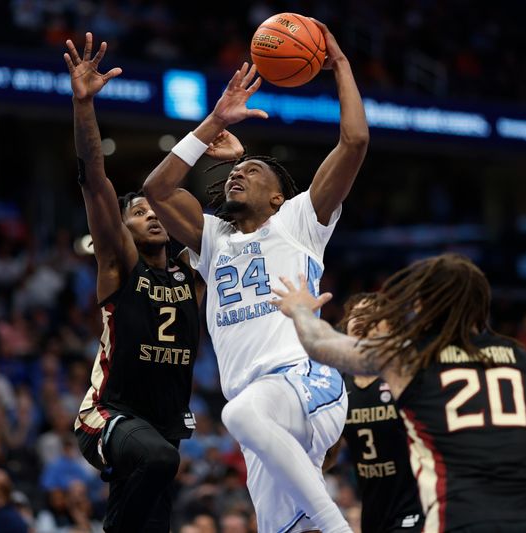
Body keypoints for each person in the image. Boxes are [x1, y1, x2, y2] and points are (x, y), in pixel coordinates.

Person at [143, 19, 368, 533]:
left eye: (253, 172)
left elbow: (354, 142)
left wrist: (341, 67)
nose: (239, 173)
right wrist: (213, 121)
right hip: (261, 414)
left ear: (278, 197)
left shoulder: (299, 221)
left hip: (303, 379)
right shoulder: (213, 240)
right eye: (236, 172)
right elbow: (156, 190)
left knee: (239, 416)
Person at [273, 253, 526, 533]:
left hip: (462, 518)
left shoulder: (408, 361)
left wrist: (301, 311)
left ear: (423, 306)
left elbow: (322, 345)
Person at [63, 33, 211, 532]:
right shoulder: (121, 264)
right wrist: (84, 106)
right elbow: (94, 177)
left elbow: (234, 229)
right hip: (108, 416)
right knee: (160, 463)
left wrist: (228, 159)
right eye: (139, 211)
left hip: (163, 428)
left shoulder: (195, 274)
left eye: (155, 208)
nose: (151, 214)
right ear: (121, 228)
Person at [334, 293, 424, 532]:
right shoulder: (339, 384)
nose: (362, 319)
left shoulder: (403, 374)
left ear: (389, 328)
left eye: (371, 314)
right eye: (356, 314)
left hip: (414, 507)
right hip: (373, 510)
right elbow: (331, 450)